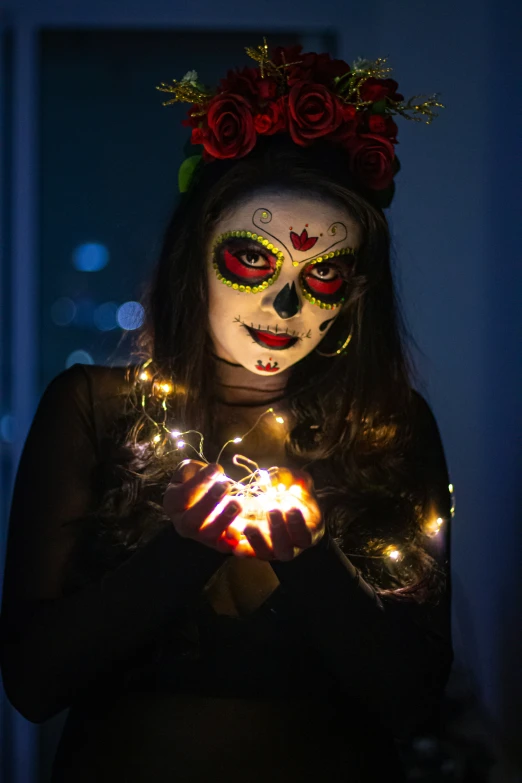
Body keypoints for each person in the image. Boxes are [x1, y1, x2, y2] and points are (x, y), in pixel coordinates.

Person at [0, 40, 453, 782]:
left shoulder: (389, 427)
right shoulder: (93, 412)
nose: (284, 304)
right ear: (194, 256)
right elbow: (32, 683)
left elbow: (411, 699)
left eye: (324, 273)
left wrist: (307, 561)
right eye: (253, 259)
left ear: (356, 296)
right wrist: (185, 549)